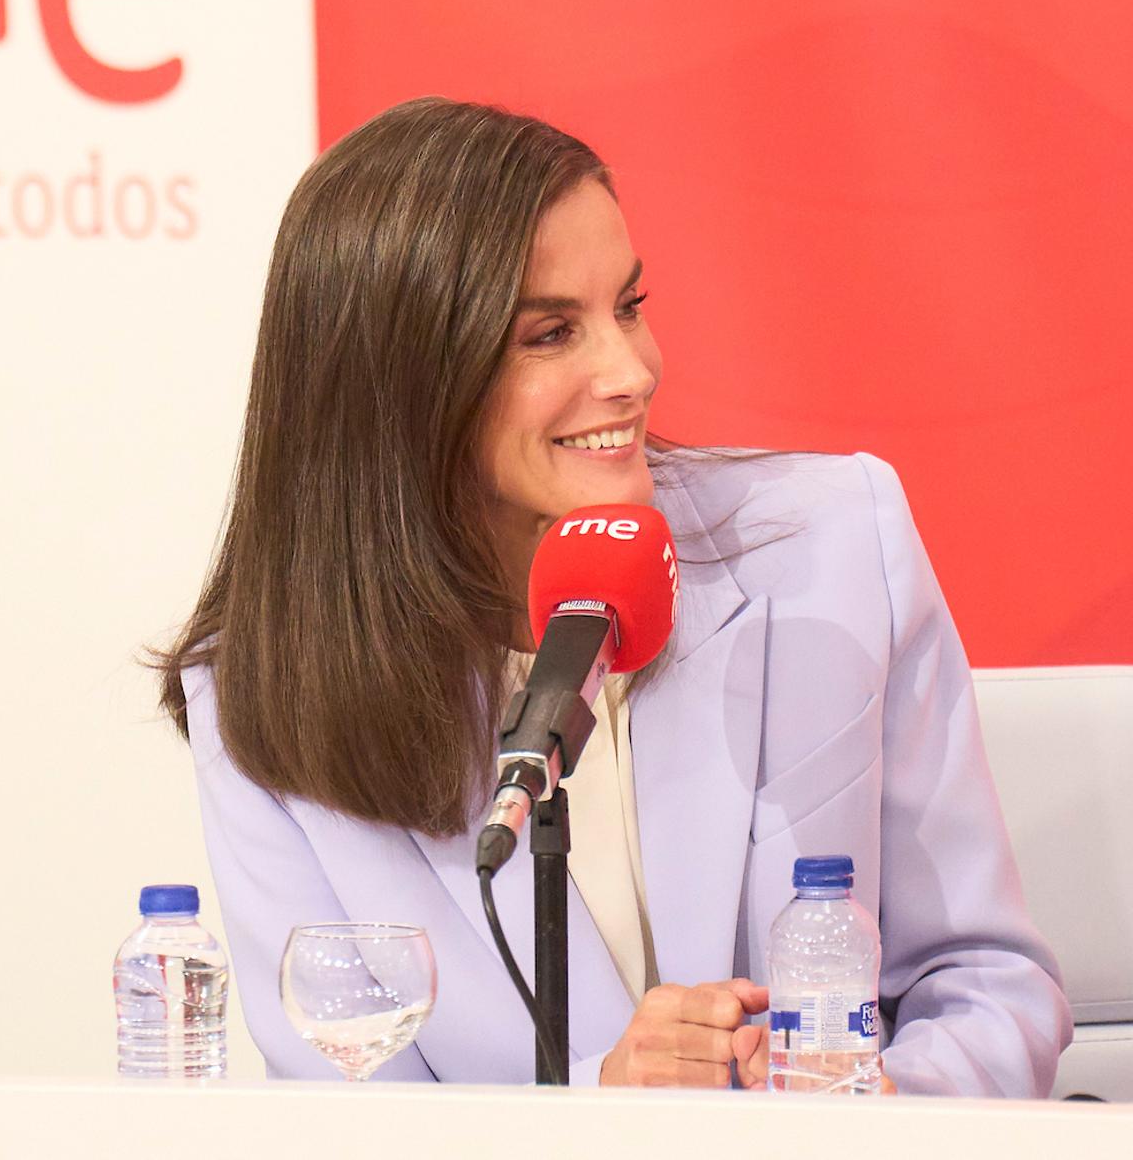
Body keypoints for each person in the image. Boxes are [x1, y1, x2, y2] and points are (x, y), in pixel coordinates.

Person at [156, 97, 1071, 1093]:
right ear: (404, 384)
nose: (632, 371)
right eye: (550, 334)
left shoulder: (835, 543)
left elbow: (990, 987)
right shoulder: (260, 699)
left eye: (628, 306)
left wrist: (875, 1103)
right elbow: (347, 1120)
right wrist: (605, 1107)